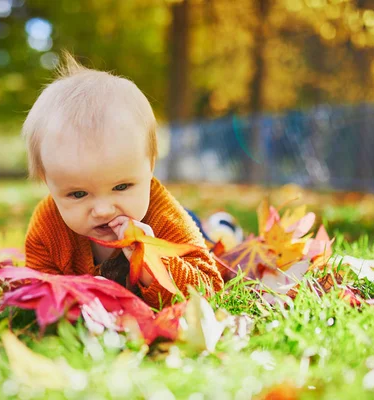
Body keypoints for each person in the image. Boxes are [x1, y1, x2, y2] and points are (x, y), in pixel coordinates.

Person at [21, 53, 223, 309]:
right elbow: (37, 288)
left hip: (179, 229)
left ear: (149, 167)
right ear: (48, 182)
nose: (103, 210)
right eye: (79, 194)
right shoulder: (47, 228)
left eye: (121, 187)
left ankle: (217, 228)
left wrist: (154, 266)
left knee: (208, 237)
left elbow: (211, 290)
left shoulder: (164, 217)